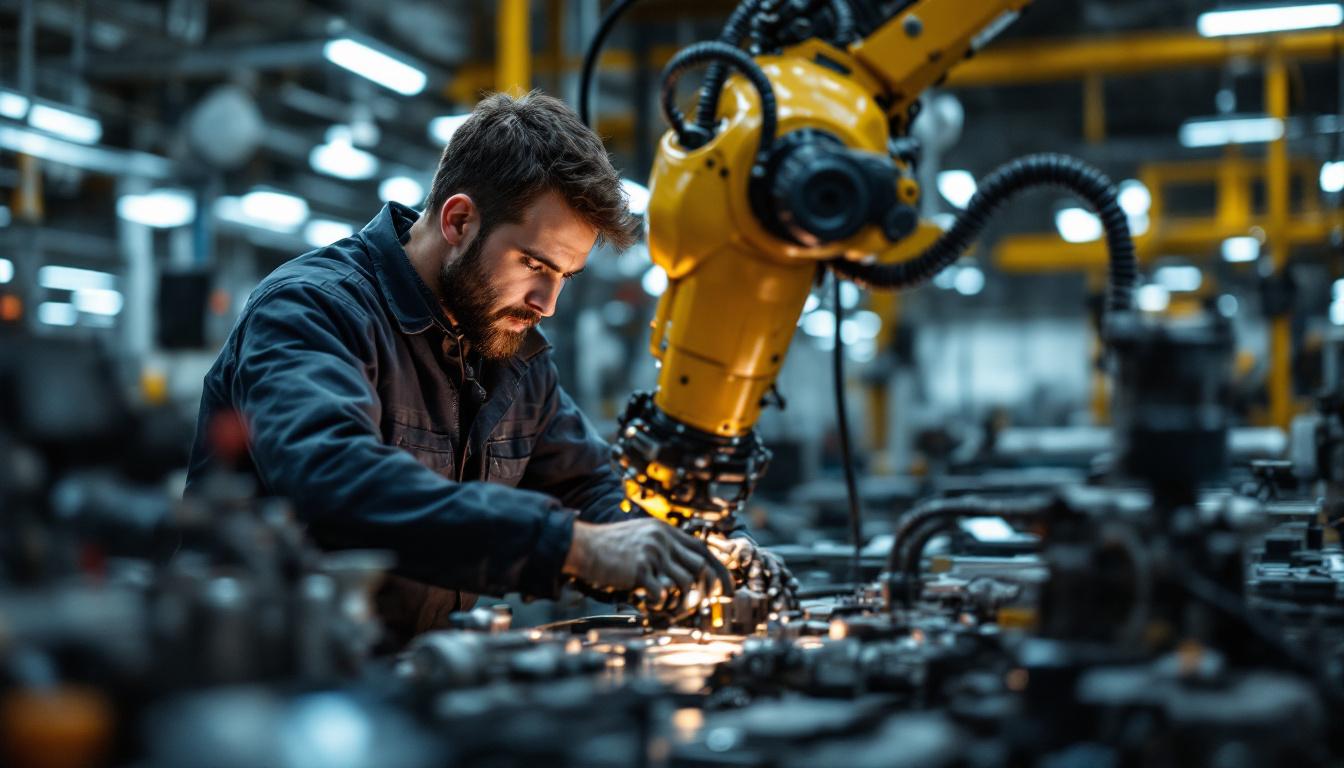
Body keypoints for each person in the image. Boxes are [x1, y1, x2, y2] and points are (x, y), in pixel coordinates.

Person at [186, 91, 793, 644]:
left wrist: (691, 551)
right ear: (457, 221)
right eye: (534, 263)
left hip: (414, 682)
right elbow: (334, 482)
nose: (547, 303)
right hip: (266, 688)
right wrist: (568, 547)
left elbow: (589, 487)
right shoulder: (315, 309)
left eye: (564, 277)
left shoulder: (508, 351)